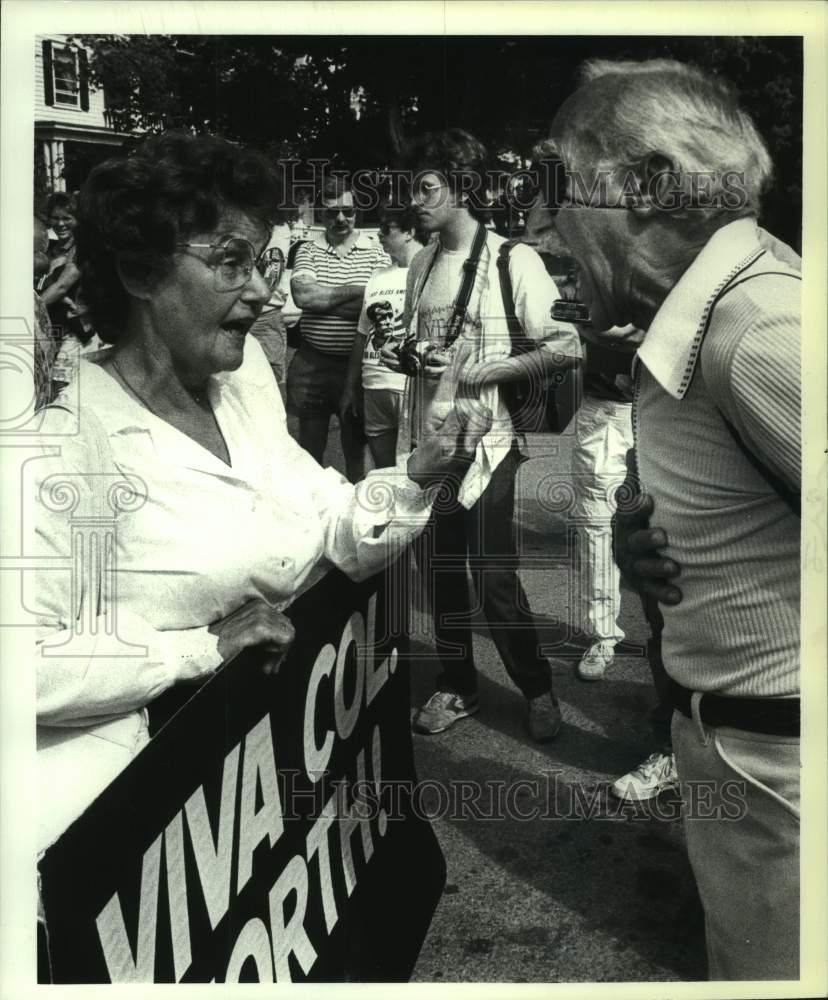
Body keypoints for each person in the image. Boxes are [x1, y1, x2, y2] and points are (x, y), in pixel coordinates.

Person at [33, 131, 492, 854]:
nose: (262, 290)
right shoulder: (61, 440)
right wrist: (199, 650)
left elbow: (331, 520)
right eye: (230, 262)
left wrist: (417, 474)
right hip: (159, 836)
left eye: (263, 261)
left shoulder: (241, 386)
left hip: (280, 808)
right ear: (139, 272)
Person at [540, 59, 801, 979]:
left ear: (644, 187)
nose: (545, 225)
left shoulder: (758, 327)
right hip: (744, 753)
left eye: (558, 188)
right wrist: (666, 538)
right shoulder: (713, 312)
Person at [385, 128, 581, 741]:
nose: (415, 199)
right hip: (432, 444)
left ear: (461, 188)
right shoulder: (419, 264)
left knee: (493, 576)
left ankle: (537, 688)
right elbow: (428, 345)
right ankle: (458, 685)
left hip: (489, 446)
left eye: (427, 187)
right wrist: (408, 354)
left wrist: (498, 367)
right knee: (440, 572)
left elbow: (567, 345)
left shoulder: (510, 259)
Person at [287, 178, 389, 482]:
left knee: (356, 452)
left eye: (348, 211)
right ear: (321, 215)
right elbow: (304, 297)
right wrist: (360, 291)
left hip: (356, 368)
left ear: (357, 211)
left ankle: (358, 518)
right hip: (313, 364)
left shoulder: (376, 252)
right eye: (332, 213)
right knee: (309, 454)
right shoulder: (307, 249)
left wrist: (326, 298)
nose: (341, 219)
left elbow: (381, 306)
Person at [342, 206, 424, 469]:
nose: (379, 234)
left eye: (386, 229)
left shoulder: (428, 272)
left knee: (414, 471)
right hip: (373, 385)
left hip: (409, 385)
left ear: (410, 232)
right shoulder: (377, 276)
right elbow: (361, 335)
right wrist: (350, 388)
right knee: (384, 472)